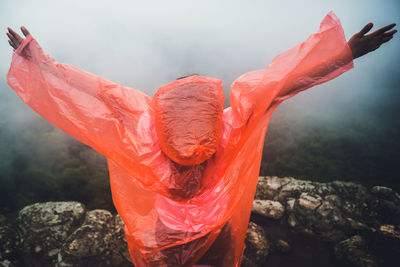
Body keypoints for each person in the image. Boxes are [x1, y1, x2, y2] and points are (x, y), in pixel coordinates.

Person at [6, 12, 396, 267]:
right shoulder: (227, 129)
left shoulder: (145, 131)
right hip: (216, 226)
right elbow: (281, 85)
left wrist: (42, 62)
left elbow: (98, 92)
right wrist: (344, 52)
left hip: (166, 230)